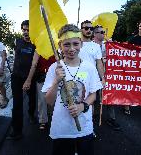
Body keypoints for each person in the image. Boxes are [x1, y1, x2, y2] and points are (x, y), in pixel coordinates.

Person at [42, 24, 102, 155]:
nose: (72, 49)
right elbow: (49, 101)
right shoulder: (54, 68)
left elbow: (93, 95)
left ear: (81, 44)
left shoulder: (89, 67)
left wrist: (83, 106)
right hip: (61, 129)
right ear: (60, 46)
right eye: (67, 45)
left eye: (75, 44)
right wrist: (56, 81)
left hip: (84, 128)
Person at [6, 20, 38, 140]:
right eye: (24, 29)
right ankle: (17, 131)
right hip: (16, 77)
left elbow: (34, 64)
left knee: (32, 99)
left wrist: (29, 80)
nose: (25, 32)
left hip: (30, 77)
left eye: (28, 30)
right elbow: (15, 57)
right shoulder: (17, 41)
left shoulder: (36, 44)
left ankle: (31, 114)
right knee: (17, 104)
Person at [93, 25, 120, 131]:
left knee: (109, 97)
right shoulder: (90, 46)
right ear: (95, 34)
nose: (103, 34)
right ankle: (95, 116)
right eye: (101, 32)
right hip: (94, 76)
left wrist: (112, 45)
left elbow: (117, 55)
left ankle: (111, 118)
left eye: (104, 32)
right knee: (95, 97)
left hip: (107, 76)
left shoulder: (108, 45)